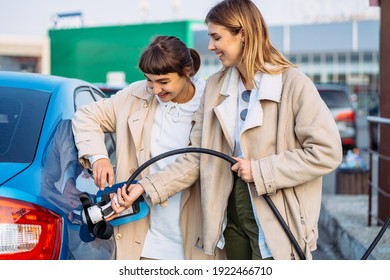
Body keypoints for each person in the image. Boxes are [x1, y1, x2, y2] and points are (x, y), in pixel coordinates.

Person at [119, 0, 343, 260]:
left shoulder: (294, 84)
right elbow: (197, 156)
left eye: (216, 37)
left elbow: (326, 152)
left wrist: (260, 170)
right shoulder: (215, 87)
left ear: (243, 34)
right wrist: (146, 187)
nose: (211, 46)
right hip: (229, 222)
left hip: (276, 220)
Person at [72, 35, 225, 260]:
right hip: (143, 242)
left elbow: (195, 162)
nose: (155, 90)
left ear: (187, 72)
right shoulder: (135, 96)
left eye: (163, 82)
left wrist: (145, 187)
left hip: (195, 242)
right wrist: (99, 157)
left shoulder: (213, 104)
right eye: (149, 80)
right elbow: (86, 116)